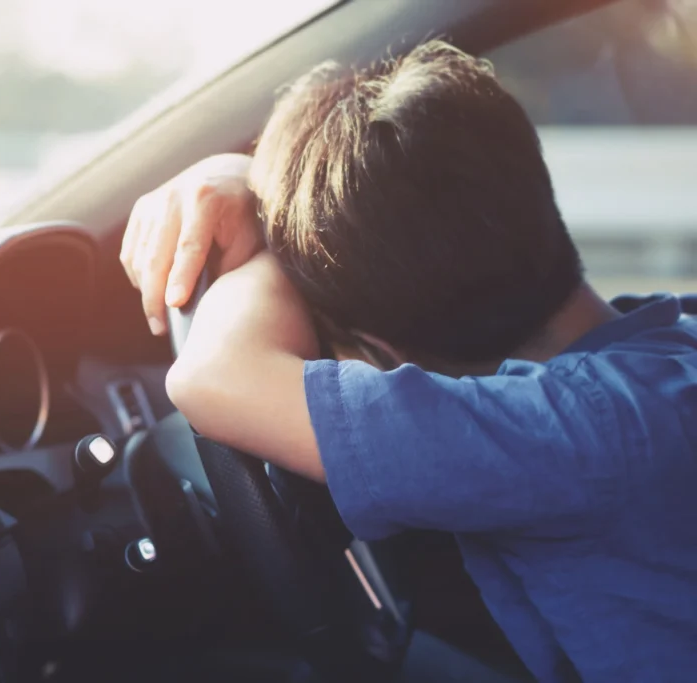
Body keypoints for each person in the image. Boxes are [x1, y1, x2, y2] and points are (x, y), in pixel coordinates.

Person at [120, 41, 697, 682]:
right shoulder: (666, 351)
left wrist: (264, 210)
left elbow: (214, 379)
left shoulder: (561, 434)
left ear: (384, 354)